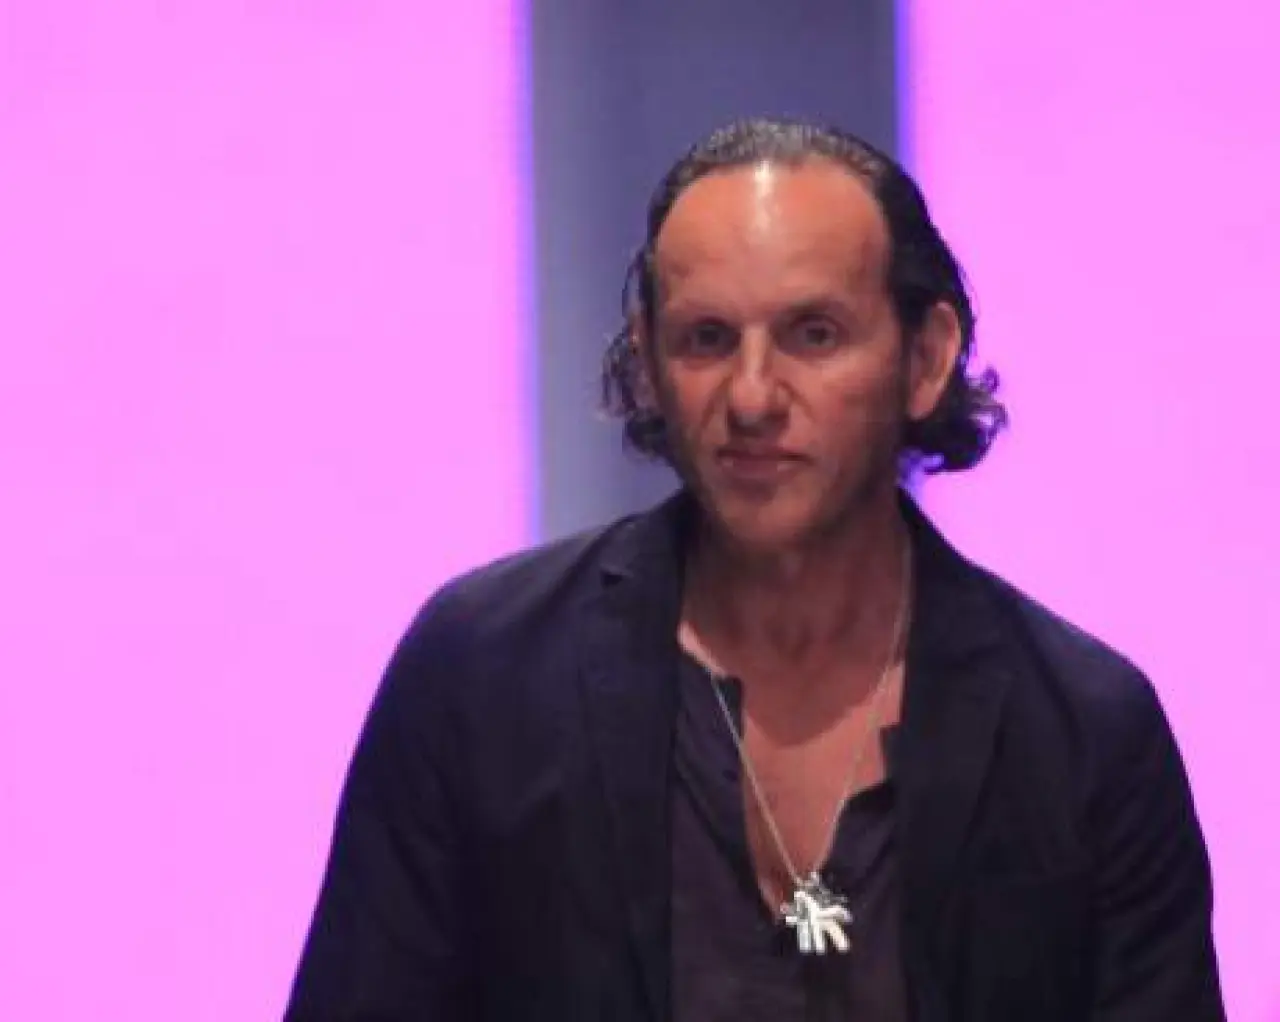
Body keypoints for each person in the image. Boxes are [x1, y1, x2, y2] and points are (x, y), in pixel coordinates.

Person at [284, 118, 1225, 1021]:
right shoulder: (484, 676)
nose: (752, 396)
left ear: (925, 359)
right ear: (649, 365)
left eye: (813, 334)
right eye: (707, 339)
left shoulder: (1084, 731)